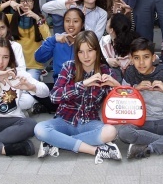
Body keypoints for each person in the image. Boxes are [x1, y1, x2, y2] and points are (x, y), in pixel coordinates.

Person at [33, 31, 122, 163]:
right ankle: (95, 150)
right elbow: (54, 97)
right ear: (76, 53)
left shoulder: (106, 72)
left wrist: (116, 86)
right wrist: (83, 84)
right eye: (81, 52)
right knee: (39, 129)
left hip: (89, 122)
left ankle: (56, 141)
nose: (86, 56)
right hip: (64, 120)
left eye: (90, 50)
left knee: (111, 132)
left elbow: (120, 106)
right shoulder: (68, 67)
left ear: (97, 51)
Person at [0, 0, 49, 81]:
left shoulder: (39, 19)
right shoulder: (12, 18)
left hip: (33, 66)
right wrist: (9, 3)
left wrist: (36, 18)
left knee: (27, 88)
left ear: (34, 2)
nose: (25, 3)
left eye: (29, 1)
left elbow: (48, 38)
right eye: (22, 1)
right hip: (15, 66)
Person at [42, 0, 108, 38]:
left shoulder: (102, 13)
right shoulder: (74, 8)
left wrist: (82, 19)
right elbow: (45, 8)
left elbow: (96, 38)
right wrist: (64, 3)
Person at [34, 8, 85, 83]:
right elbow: (39, 58)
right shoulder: (56, 40)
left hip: (82, 84)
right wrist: (53, 40)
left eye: (75, 21)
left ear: (82, 24)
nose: (71, 24)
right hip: (60, 85)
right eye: (67, 21)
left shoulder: (87, 41)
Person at [100, 12, 140, 79]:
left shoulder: (135, 42)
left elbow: (154, 58)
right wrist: (107, 60)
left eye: (108, 22)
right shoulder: (104, 41)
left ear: (111, 30)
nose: (106, 22)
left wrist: (134, 59)